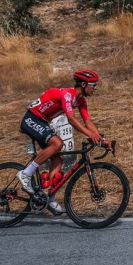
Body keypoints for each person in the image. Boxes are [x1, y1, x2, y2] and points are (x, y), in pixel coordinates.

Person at [17, 70, 110, 214]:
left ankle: (49, 198)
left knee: (58, 159)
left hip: (43, 122)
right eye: (94, 85)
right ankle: (25, 174)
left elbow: (87, 121)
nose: (96, 88)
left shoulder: (81, 100)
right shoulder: (67, 95)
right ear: (84, 84)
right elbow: (71, 120)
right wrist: (91, 135)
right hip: (32, 119)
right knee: (57, 144)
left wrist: (101, 139)